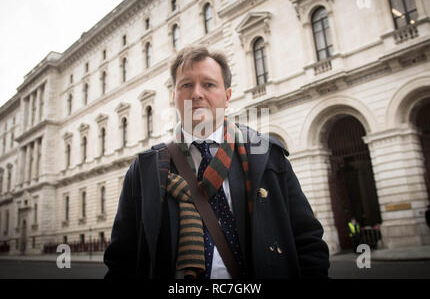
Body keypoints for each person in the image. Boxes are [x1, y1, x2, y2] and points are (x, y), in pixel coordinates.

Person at [103, 45, 330, 279]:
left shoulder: (266, 156)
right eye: (186, 85)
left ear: (227, 96)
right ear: (175, 96)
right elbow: (121, 261)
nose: (197, 94)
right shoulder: (143, 171)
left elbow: (307, 242)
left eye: (209, 84)